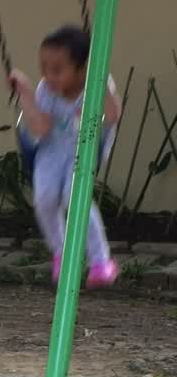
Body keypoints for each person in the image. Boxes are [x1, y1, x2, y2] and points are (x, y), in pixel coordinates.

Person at [9, 24, 122, 288]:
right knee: (45, 200)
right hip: (50, 151)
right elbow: (41, 128)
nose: (49, 75)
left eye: (58, 69)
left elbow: (113, 115)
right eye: (44, 68)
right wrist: (25, 94)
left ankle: (101, 261)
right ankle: (62, 253)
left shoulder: (96, 83)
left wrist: (101, 83)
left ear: (81, 69)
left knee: (76, 197)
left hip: (83, 149)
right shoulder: (46, 89)